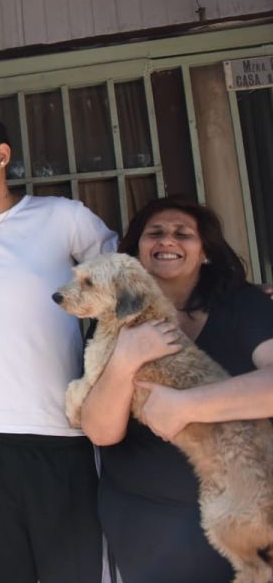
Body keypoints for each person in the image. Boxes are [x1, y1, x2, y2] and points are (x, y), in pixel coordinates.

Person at [0, 114, 115, 583]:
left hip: (60, 427)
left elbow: (128, 283)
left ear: (3, 156)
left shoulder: (62, 217)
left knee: (72, 571)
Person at [78, 196, 273, 583]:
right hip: (144, 519)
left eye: (183, 234)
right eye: (155, 233)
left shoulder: (245, 305)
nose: (168, 240)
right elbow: (100, 430)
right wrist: (125, 359)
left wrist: (186, 406)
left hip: (247, 510)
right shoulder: (111, 318)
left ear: (204, 253)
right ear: (136, 252)